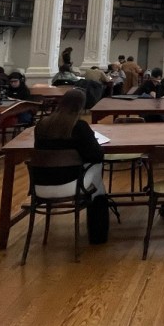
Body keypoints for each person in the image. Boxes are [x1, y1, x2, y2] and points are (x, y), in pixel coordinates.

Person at [32, 88, 109, 244]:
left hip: (40, 184)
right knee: (97, 170)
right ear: (81, 106)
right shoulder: (79, 127)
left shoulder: (41, 125)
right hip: (72, 183)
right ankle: (98, 234)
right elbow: (96, 155)